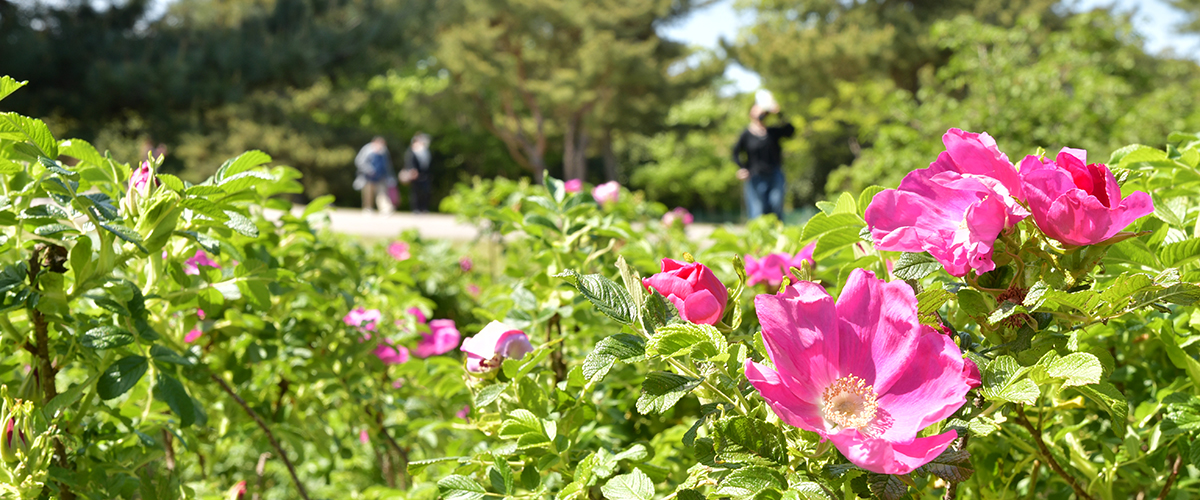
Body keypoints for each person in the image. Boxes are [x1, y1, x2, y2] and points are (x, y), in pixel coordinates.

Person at [732, 102, 795, 219]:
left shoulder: (773, 132)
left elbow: (790, 131)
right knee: (758, 211)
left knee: (776, 205)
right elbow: (735, 153)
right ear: (751, 113)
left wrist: (779, 114)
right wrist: (742, 168)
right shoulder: (746, 135)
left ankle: (777, 235)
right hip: (755, 176)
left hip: (775, 175)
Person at [353, 137, 396, 214]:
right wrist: (368, 169)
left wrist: (390, 177)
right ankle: (367, 209)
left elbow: (387, 165)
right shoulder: (367, 150)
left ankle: (385, 209)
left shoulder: (384, 151)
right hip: (367, 177)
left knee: (382, 194)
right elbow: (358, 161)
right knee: (368, 195)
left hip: (380, 177)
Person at [403, 133, 434, 213]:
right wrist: (412, 171)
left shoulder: (425, 151)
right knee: (415, 193)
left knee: (425, 192)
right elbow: (409, 162)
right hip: (414, 175)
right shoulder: (411, 151)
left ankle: (424, 208)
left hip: (425, 175)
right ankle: (415, 209)